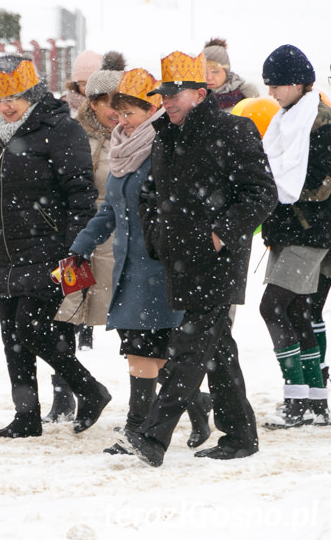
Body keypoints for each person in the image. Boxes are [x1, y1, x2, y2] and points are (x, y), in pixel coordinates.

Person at [116, 51, 277, 466]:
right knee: (216, 347)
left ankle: (152, 437)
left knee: (188, 346)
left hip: (219, 260)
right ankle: (240, 434)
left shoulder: (234, 130)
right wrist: (157, 239)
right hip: (179, 257)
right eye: (162, 94)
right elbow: (150, 195)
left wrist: (219, 235)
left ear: (201, 93)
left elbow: (261, 193)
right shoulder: (167, 135)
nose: (166, 101)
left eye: (174, 93)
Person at [69, 68, 213, 455]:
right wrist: (81, 245)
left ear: (151, 111)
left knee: (145, 345)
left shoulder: (161, 148)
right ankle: (195, 403)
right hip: (127, 266)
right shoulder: (122, 150)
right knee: (142, 345)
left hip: (157, 264)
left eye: (130, 113)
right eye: (118, 113)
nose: (122, 121)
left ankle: (139, 426)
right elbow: (110, 211)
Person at [0, 55, 110, 440]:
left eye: (14, 97)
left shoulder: (59, 128)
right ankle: (26, 415)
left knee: (33, 330)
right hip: (7, 248)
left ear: (33, 93)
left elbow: (80, 194)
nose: (5, 106)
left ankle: (90, 389)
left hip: (50, 248)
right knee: (11, 336)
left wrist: (74, 251)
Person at [258, 44, 331, 428]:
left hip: (311, 232)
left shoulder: (321, 122)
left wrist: (272, 187)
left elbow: (318, 182)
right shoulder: (285, 120)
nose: (272, 93)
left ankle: (296, 400)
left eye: (278, 85)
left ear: (300, 83)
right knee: (299, 311)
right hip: (288, 230)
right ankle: (314, 402)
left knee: (272, 307)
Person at [56, 51, 124, 354]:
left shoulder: (133, 136)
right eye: (109, 101)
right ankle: (67, 391)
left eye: (121, 100)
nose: (117, 109)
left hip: (119, 237)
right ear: (93, 102)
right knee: (68, 312)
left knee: (129, 319)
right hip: (78, 235)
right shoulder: (73, 135)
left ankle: (153, 385)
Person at [203, 38, 259, 112]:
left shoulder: (245, 97)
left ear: (226, 72)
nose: (209, 77)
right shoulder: (192, 98)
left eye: (215, 71)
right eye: (204, 72)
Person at [63, 49, 103, 117]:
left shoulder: (109, 105)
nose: (87, 88)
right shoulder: (66, 105)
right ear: (76, 85)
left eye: (92, 83)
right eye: (83, 84)